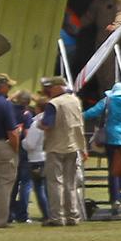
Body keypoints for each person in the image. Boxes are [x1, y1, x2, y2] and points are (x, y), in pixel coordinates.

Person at [36, 76, 87, 227]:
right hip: (73, 145)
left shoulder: (54, 104)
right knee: (70, 183)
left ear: (57, 87)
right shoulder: (75, 100)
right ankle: (73, 215)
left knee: (55, 183)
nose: (48, 91)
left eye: (50, 88)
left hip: (56, 146)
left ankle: (57, 217)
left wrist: (38, 123)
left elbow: (47, 124)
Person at [84, 78, 121, 216]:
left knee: (113, 169)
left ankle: (115, 198)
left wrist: (78, 115)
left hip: (111, 138)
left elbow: (92, 113)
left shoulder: (108, 102)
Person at [15, 94, 49, 222]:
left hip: (35, 158)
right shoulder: (52, 122)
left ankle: (23, 214)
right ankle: (49, 212)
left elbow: (30, 144)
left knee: (28, 186)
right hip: (46, 157)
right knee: (44, 188)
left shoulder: (36, 124)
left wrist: (23, 140)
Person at [0, 74, 19, 230]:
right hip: (1, 144)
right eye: (8, 86)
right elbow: (12, 132)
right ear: (1, 86)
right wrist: (15, 148)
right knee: (4, 183)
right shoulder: (4, 104)